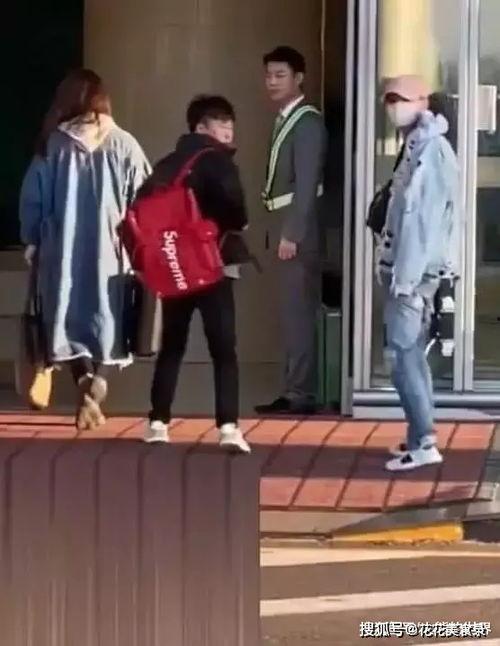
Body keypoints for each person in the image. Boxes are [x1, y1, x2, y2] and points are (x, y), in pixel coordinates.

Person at [19, 69, 151, 431]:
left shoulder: (52, 146)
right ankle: (98, 384)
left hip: (61, 253)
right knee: (110, 319)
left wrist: (32, 240)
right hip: (113, 254)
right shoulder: (125, 144)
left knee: (65, 316)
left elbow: (33, 199)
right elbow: (144, 200)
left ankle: (83, 381)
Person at [137, 95, 251, 453]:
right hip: (213, 263)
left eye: (230, 122)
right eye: (220, 122)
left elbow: (143, 208)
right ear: (200, 127)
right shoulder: (218, 160)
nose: (228, 129)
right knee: (223, 347)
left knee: (172, 344)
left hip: (175, 267)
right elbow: (236, 209)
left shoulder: (167, 163)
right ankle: (228, 427)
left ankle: (158, 422)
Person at [378, 75, 460, 472]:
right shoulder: (417, 145)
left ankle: (425, 441)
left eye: (401, 98)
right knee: (410, 354)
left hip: (412, 273)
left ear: (423, 102)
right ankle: (419, 436)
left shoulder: (431, 151)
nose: (393, 105)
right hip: (408, 269)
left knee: (402, 355)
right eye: (389, 99)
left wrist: (406, 279)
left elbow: (421, 222)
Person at [255, 46, 327, 416]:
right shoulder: (286, 119)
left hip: (297, 232)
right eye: (269, 75)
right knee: (289, 313)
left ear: (299, 78)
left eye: (280, 75)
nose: (272, 82)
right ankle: (292, 388)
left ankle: (300, 393)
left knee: (298, 315)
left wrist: (292, 233)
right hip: (283, 225)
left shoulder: (307, 122)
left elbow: (307, 183)